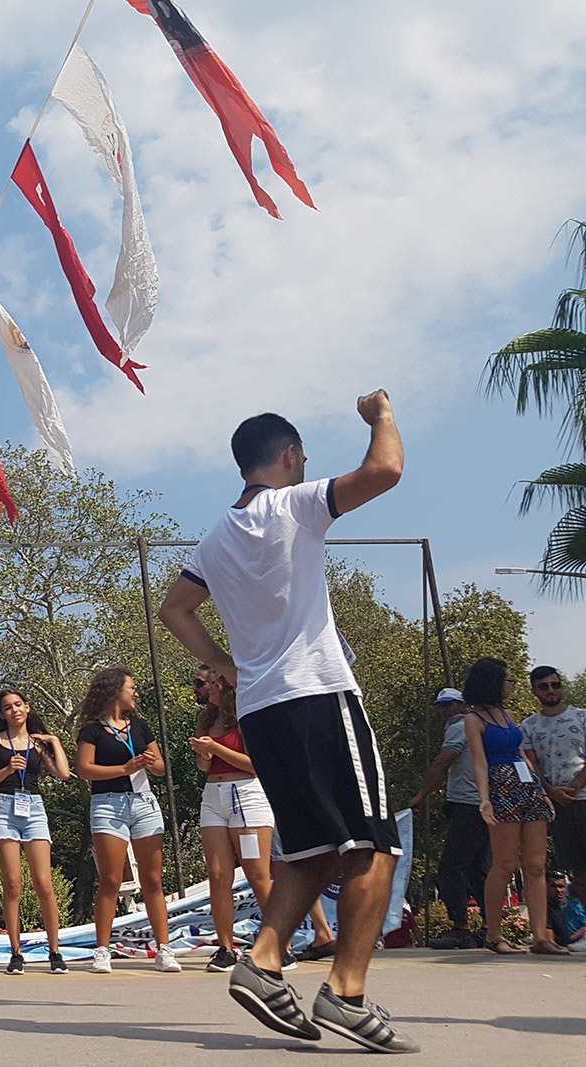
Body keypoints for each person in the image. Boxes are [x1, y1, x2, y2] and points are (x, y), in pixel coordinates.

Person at [158, 395, 416, 1052]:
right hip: (319, 694)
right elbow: (385, 469)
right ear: (291, 458)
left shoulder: (217, 536)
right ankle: (347, 991)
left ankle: (263, 961)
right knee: (375, 845)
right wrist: (380, 414)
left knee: (314, 851)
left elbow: (175, 607)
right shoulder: (293, 503)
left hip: (265, 710)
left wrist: (222, 662)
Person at [74, 668, 177, 975]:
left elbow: (159, 767)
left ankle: (164, 948)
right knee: (111, 880)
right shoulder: (92, 730)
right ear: (113, 690)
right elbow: (85, 770)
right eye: (131, 687)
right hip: (108, 804)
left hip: (144, 802)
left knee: (153, 880)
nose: (135, 693)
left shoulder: (140, 727)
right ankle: (102, 950)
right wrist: (125, 767)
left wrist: (149, 762)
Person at [463, 658, 562, 955]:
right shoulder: (473, 719)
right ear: (493, 683)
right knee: (505, 864)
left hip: (526, 787)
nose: (512, 686)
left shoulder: (507, 715)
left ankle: (541, 936)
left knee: (535, 864)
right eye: (508, 680)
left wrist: (541, 790)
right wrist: (484, 799)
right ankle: (493, 934)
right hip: (501, 787)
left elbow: (522, 754)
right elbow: (479, 762)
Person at [189, 669, 276, 973]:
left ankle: (279, 945)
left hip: (247, 795)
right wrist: (205, 754)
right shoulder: (206, 720)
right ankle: (226, 948)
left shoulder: (247, 716)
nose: (203, 688)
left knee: (256, 873)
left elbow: (256, 765)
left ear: (223, 685)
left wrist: (216, 748)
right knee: (218, 875)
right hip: (214, 795)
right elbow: (204, 766)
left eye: (208, 682)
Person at [0, 689, 71, 975]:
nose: (14, 711)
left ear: (27, 708)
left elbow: (64, 774)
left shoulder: (38, 742)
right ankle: (15, 952)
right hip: (5, 807)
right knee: (13, 884)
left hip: (33, 806)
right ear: (1, 714)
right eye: (7, 708)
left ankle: (55, 951)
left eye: (18, 705)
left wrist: (54, 741)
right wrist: (7, 769)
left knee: (44, 883)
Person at [409, 688, 491, 949]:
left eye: (448, 705)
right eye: (440, 706)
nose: (443, 711)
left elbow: (444, 763)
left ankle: (460, 928)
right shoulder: (483, 724)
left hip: (467, 804)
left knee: (450, 868)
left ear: (461, 705)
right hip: (485, 804)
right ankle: (490, 927)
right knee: (479, 870)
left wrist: (421, 795)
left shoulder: (459, 726)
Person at [520, 666, 586, 905]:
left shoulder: (582, 716)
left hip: (583, 796)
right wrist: (550, 791)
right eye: (544, 686)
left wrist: (577, 785)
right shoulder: (528, 727)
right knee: (578, 868)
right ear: (534, 691)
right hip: (557, 803)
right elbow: (531, 763)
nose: (551, 690)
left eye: (555, 685)